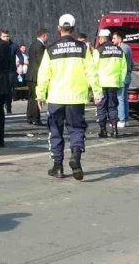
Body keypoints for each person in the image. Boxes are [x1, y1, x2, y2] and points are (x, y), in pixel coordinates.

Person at [36, 14, 101, 181]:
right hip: (76, 98)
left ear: (59, 28)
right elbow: (91, 72)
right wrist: (97, 93)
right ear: (73, 29)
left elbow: (43, 74)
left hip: (56, 98)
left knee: (55, 131)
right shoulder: (83, 48)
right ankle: (76, 158)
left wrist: (40, 95)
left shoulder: (50, 49)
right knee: (76, 129)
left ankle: (58, 166)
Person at [94, 29, 128, 138]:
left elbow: (93, 69)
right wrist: (121, 82)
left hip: (101, 84)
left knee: (101, 107)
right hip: (114, 83)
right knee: (113, 107)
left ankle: (103, 130)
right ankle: (114, 129)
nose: (99, 40)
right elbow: (124, 68)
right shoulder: (119, 50)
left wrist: (93, 85)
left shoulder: (98, 51)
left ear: (102, 38)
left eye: (99, 38)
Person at [25, 29, 49, 126]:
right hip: (36, 75)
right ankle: (36, 119)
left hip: (30, 75)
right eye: (47, 36)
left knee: (31, 98)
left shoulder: (33, 44)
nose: (48, 38)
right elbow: (41, 62)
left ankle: (30, 117)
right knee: (36, 97)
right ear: (43, 36)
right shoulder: (40, 46)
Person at [112, 30, 133, 129]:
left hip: (122, 76)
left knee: (120, 98)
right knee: (125, 98)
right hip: (128, 75)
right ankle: (126, 119)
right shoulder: (128, 47)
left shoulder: (120, 49)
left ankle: (121, 120)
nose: (112, 40)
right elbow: (132, 63)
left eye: (114, 38)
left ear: (120, 39)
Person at [1, 29, 16, 114]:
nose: (6, 38)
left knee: (9, 90)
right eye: (4, 36)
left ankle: (9, 107)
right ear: (1, 36)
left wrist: (20, 64)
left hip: (11, 71)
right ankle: (2, 104)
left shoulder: (13, 46)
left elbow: (20, 56)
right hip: (1, 71)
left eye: (7, 36)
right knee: (2, 89)